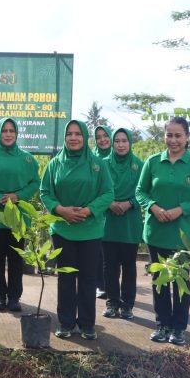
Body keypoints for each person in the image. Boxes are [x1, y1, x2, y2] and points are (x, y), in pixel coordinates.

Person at [136, 117, 190, 346]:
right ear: (164, 136)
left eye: (178, 135)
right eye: (169, 135)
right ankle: (162, 325)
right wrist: (153, 207)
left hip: (183, 234)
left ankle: (179, 328)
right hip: (156, 232)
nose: (173, 140)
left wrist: (182, 209)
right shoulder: (152, 162)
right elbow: (141, 191)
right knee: (159, 280)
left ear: (187, 137)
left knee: (181, 280)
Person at [41, 120, 113, 341]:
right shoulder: (55, 164)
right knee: (66, 278)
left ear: (85, 137)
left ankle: (87, 324)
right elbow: (45, 192)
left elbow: (108, 193)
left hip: (90, 230)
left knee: (88, 279)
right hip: (63, 229)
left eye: (78, 134)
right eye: (69, 134)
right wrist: (62, 210)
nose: (73, 138)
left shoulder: (98, 164)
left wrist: (89, 210)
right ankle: (66, 322)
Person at [0, 117, 40, 312]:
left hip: (18, 215)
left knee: (15, 257)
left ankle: (14, 297)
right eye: (4, 130)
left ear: (17, 133)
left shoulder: (27, 158)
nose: (8, 134)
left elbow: (35, 183)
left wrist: (18, 196)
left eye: (12, 130)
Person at [100, 128, 143, 320]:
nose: (120, 144)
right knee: (109, 266)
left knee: (129, 265)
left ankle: (127, 305)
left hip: (130, 223)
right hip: (108, 222)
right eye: (117, 141)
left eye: (124, 140)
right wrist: (109, 203)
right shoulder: (103, 165)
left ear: (130, 143)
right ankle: (111, 302)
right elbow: (96, 189)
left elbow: (145, 191)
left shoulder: (140, 165)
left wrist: (129, 203)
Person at [92, 125, 112, 299]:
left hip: (117, 213)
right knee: (98, 252)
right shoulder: (91, 158)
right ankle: (100, 284)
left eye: (105, 136)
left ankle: (111, 286)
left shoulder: (119, 155)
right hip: (98, 212)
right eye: (98, 137)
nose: (103, 140)